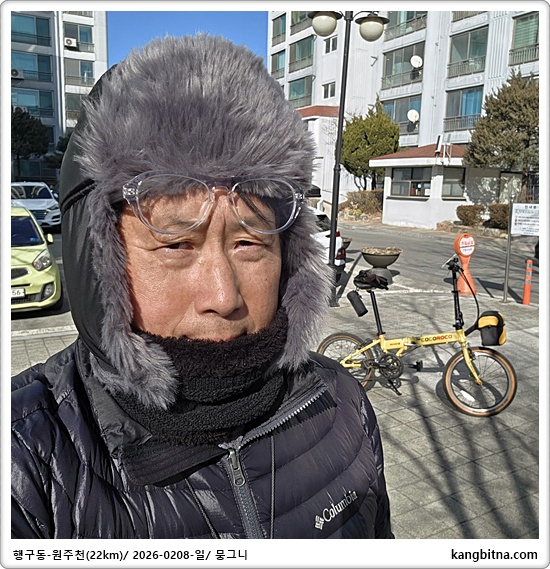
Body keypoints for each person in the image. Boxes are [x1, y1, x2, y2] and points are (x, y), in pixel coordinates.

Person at [11, 34, 393, 539]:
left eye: (249, 242)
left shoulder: (340, 403)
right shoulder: (27, 457)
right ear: (96, 262)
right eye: (175, 244)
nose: (224, 297)